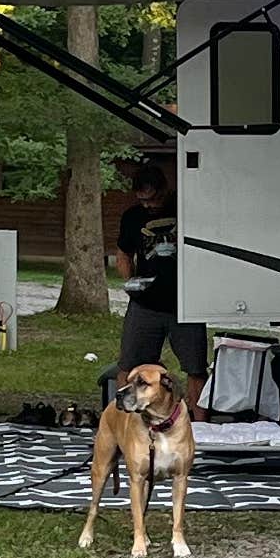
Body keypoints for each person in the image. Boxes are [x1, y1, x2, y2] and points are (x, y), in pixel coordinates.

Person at [113, 150, 207, 387]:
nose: (149, 205)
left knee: (195, 368)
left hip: (186, 305)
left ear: (164, 190)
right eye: (143, 200)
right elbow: (123, 254)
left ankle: (201, 423)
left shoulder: (185, 209)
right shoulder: (133, 217)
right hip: (146, 305)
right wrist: (131, 282)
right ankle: (126, 420)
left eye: (153, 199)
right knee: (129, 365)